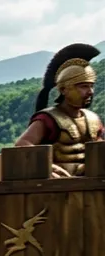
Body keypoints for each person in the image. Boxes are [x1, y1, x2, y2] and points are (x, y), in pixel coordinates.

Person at [16, 43, 102, 177]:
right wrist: (47, 168)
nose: (90, 92)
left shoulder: (93, 120)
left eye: (91, 86)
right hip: (57, 189)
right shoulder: (48, 119)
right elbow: (22, 145)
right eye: (84, 86)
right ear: (63, 90)